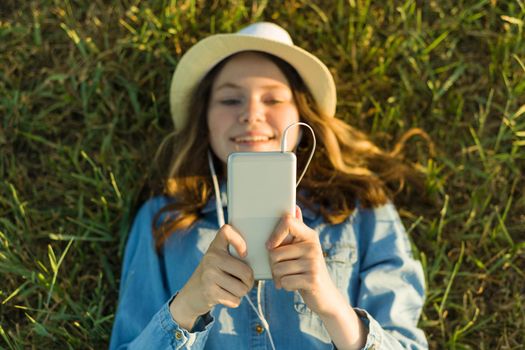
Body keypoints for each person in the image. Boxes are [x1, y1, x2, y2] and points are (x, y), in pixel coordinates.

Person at [109, 22, 428, 350]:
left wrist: (331, 305)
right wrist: (188, 306)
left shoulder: (360, 209)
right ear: (204, 119)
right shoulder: (163, 218)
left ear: (303, 119)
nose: (250, 114)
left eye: (273, 99)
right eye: (231, 99)